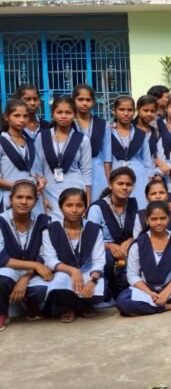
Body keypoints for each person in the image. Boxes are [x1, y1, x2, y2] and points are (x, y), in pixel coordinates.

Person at [115, 201, 171, 316]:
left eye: (162, 218)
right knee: (123, 301)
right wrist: (150, 293)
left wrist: (167, 291)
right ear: (147, 220)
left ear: (169, 218)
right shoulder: (138, 243)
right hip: (146, 289)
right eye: (154, 219)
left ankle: (154, 305)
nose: (159, 222)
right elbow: (132, 275)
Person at [42, 187, 105, 322]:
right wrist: (72, 270)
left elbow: (99, 260)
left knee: (96, 282)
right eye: (69, 205)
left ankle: (86, 304)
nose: (74, 210)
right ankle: (68, 307)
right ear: (61, 207)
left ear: (85, 208)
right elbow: (50, 260)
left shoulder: (94, 229)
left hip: (87, 270)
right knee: (60, 280)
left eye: (79, 205)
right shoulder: (50, 230)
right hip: (64, 270)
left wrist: (93, 280)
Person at [0, 181, 52, 330]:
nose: (24, 202)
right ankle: (2, 313)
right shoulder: (1, 221)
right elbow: (1, 258)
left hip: (33, 273)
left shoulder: (43, 221)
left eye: (29, 198)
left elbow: (45, 255)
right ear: (11, 199)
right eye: (19, 197)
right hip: (9, 268)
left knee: (43, 289)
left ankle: (29, 303)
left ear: (35, 201)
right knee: (1, 281)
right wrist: (34, 265)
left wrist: (25, 277)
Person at [32, 96, 92, 220]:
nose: (64, 116)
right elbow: (37, 170)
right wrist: (42, 198)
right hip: (48, 190)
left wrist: (87, 202)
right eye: (59, 112)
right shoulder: (42, 137)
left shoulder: (82, 139)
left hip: (75, 191)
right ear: (52, 113)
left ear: (74, 114)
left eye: (68, 113)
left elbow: (87, 172)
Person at [86, 167, 138, 300]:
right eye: (120, 184)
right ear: (110, 185)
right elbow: (90, 239)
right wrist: (109, 246)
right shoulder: (97, 208)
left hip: (126, 249)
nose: (124, 187)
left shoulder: (133, 204)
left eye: (128, 184)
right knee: (107, 258)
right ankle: (108, 291)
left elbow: (139, 231)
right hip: (103, 250)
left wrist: (131, 240)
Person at [0, 101, 45, 214]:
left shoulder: (30, 142)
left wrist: (41, 181)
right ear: (6, 117)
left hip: (33, 199)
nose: (21, 120)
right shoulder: (2, 142)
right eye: (17, 115)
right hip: (9, 198)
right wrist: (18, 187)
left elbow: (36, 172)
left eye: (25, 116)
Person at [110, 96, 155, 209]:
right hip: (116, 175)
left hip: (139, 178)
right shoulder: (108, 132)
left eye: (130, 110)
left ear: (134, 111)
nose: (126, 113)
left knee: (139, 208)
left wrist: (149, 181)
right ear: (114, 111)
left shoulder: (140, 134)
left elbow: (147, 161)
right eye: (121, 110)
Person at [72, 84, 111, 202]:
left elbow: (107, 156)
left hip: (97, 171)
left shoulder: (103, 124)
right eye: (80, 99)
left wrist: (109, 180)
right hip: (75, 169)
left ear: (93, 102)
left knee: (98, 203)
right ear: (73, 100)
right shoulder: (68, 123)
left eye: (88, 100)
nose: (84, 103)